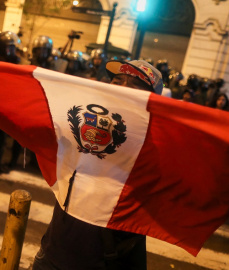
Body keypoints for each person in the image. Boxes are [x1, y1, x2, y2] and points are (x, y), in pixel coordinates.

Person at [32, 59, 163, 270]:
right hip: (54, 252)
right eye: (117, 81)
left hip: (108, 259)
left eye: (134, 85)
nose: (122, 89)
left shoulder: (156, 142)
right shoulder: (83, 118)